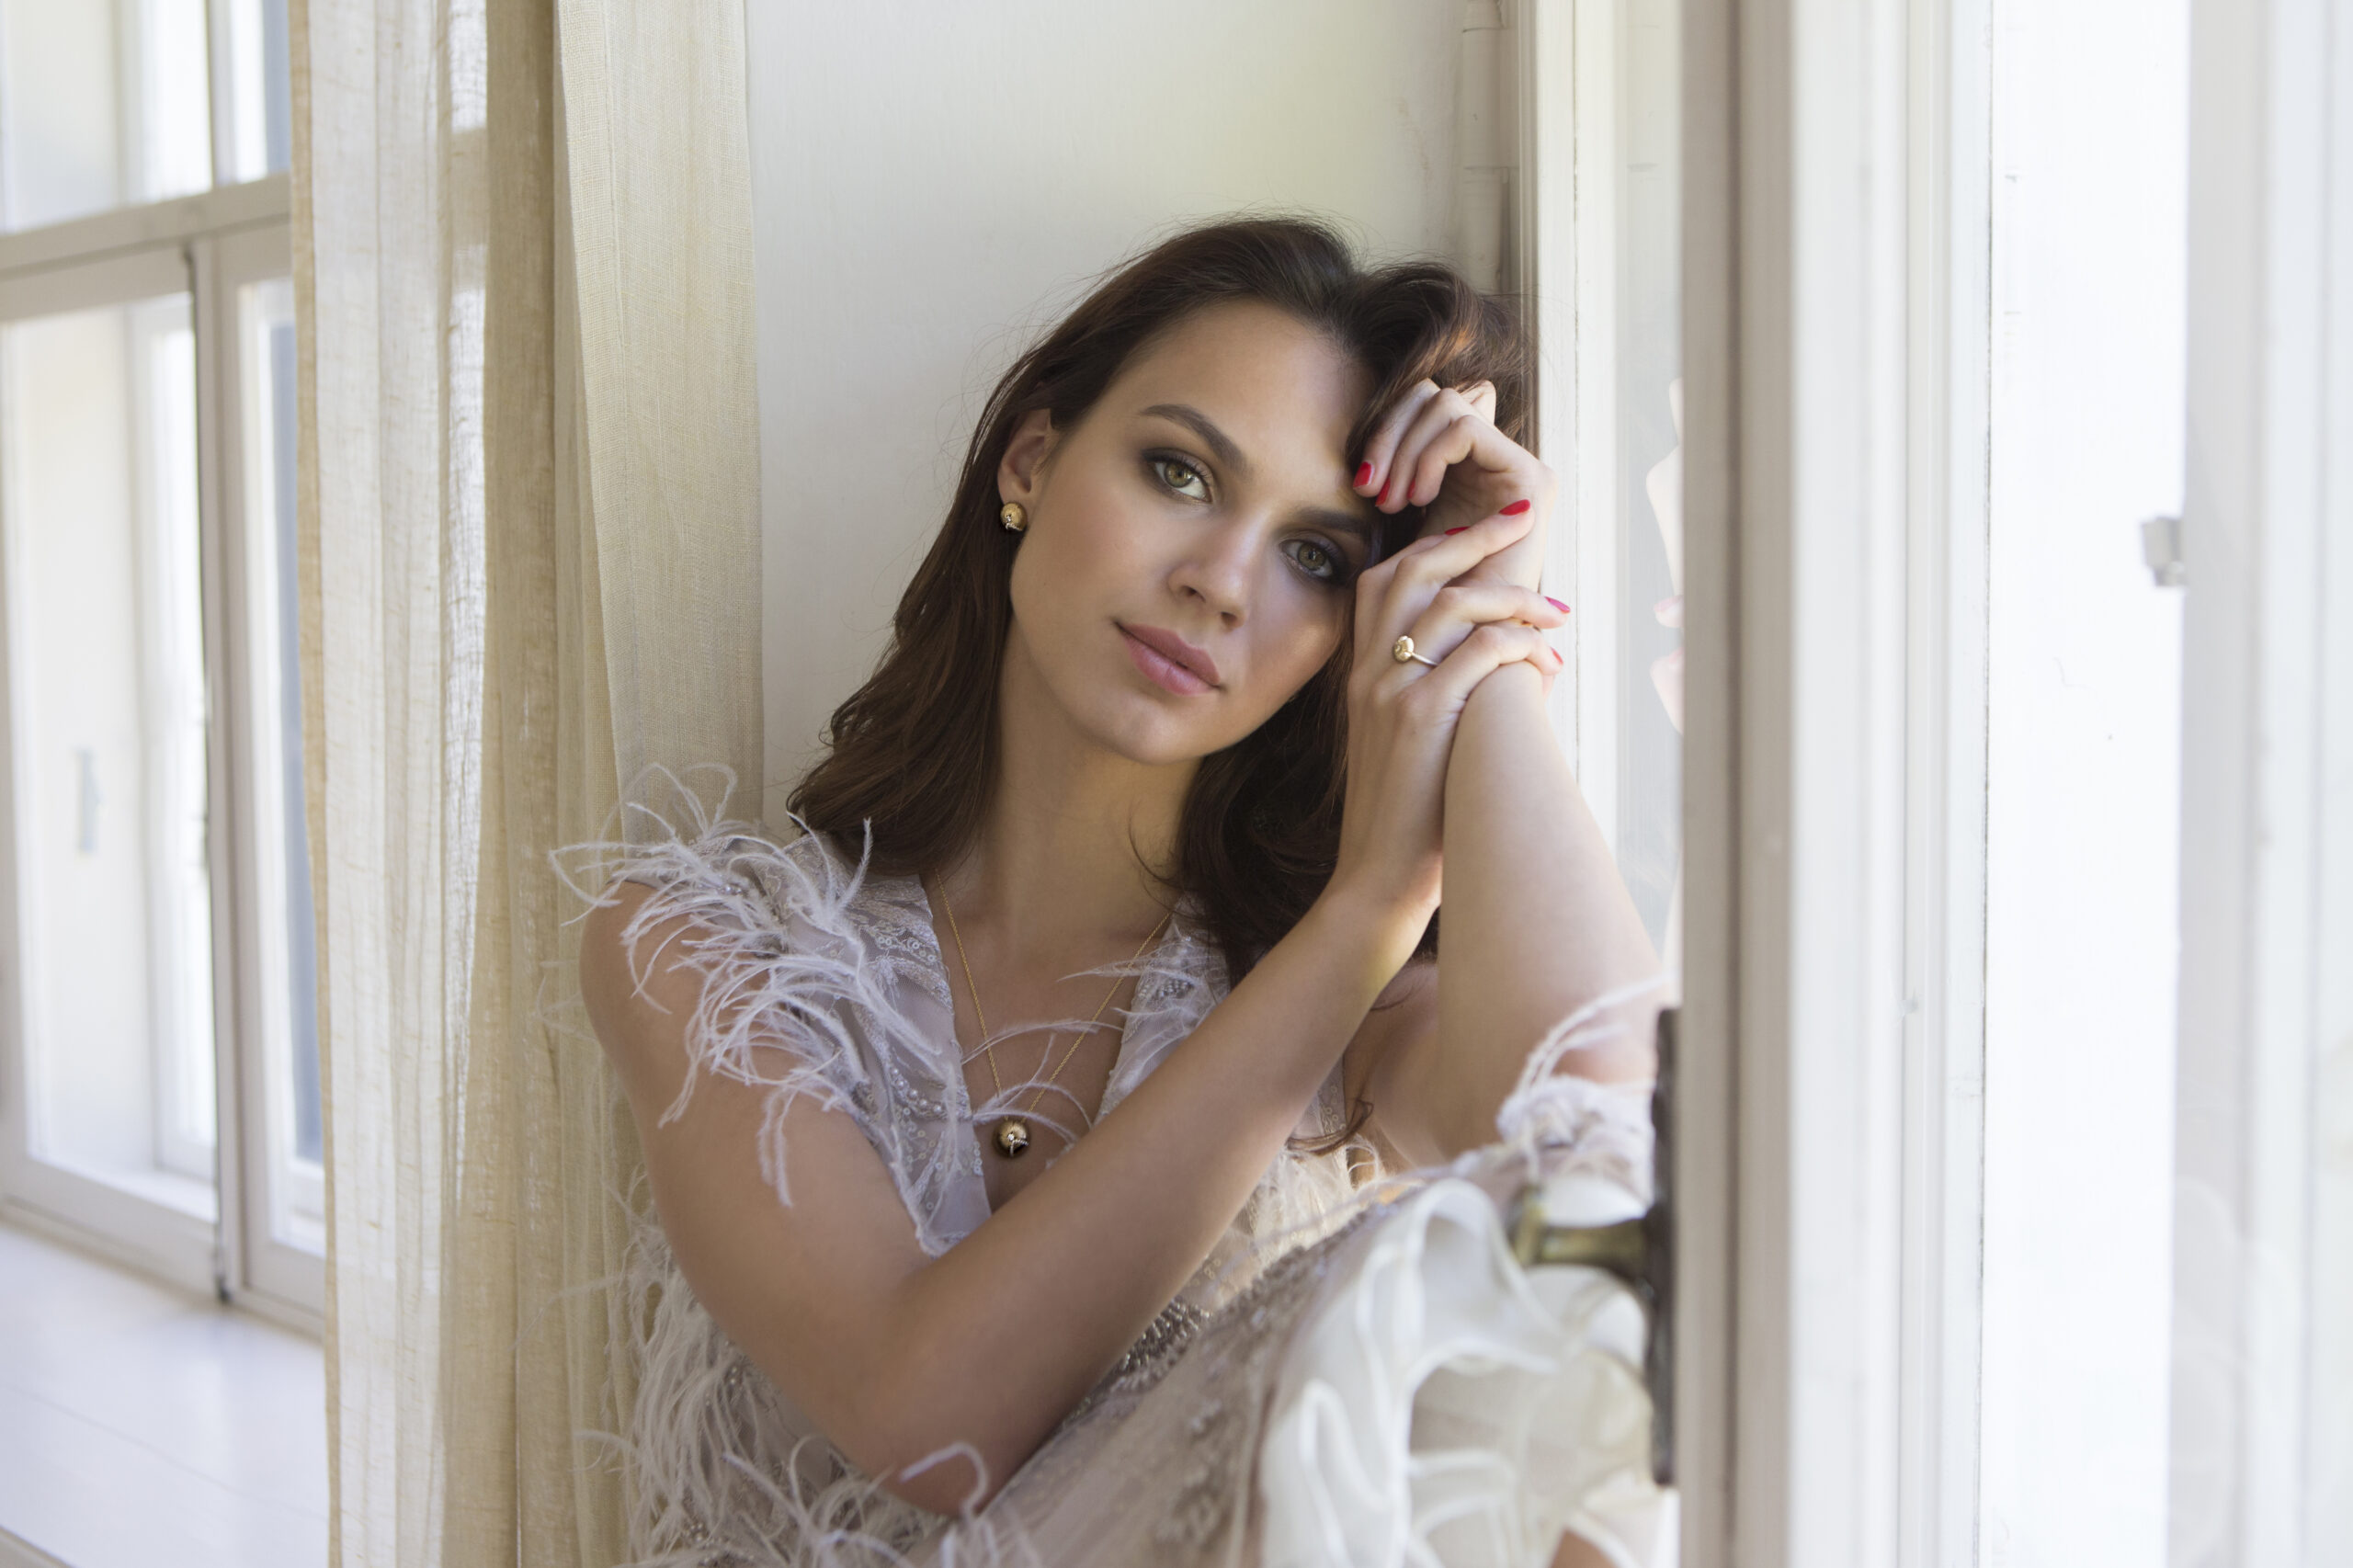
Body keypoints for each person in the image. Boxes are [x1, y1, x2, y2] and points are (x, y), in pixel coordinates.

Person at [576, 218, 1667, 1568]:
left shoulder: (1374, 1018)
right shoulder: (704, 947)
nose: (1219, 581)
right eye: (1180, 471)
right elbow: (931, 1420)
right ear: (1031, 459)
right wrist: (1359, 917)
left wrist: (1484, 630)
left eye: (1317, 556)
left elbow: (1607, 1126)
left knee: (1533, 1283)